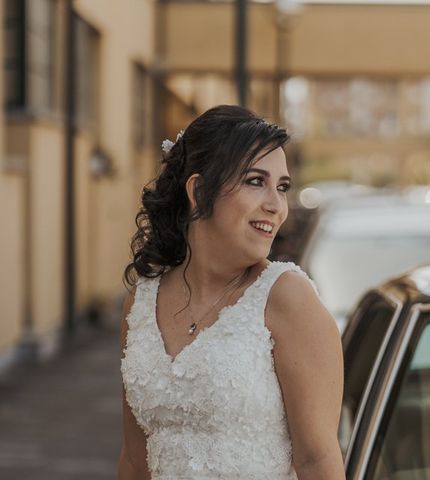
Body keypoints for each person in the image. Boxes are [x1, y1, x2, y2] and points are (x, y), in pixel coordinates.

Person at [118, 105, 345, 479]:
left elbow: (317, 462)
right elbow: (133, 457)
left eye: (282, 187)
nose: (275, 206)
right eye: (256, 181)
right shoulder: (141, 304)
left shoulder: (288, 300)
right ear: (199, 189)